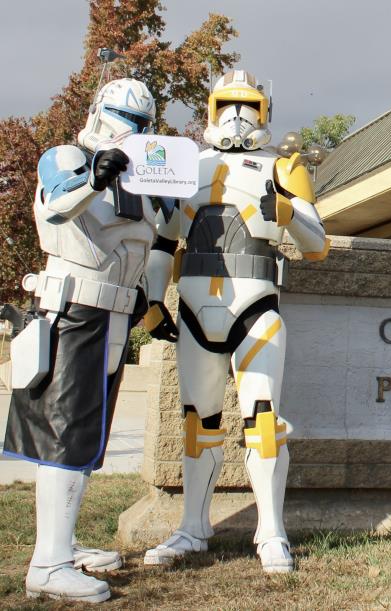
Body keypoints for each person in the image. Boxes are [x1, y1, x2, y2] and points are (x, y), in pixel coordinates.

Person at [142, 70, 329, 572]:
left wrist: (288, 213)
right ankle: (192, 526)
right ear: (211, 105)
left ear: (265, 109)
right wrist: (151, 301)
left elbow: (318, 244)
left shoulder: (283, 167)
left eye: (247, 104)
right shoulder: (187, 166)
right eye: (227, 102)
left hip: (255, 310)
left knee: (264, 421)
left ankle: (271, 531)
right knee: (196, 423)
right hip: (195, 311)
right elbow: (162, 243)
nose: (237, 114)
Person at [3, 78, 160, 603]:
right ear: (98, 111)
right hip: (74, 308)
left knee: (87, 436)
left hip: (114, 313)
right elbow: (53, 206)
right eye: (122, 115)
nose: (133, 128)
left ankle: (62, 545)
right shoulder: (68, 156)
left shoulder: (141, 179)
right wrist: (94, 178)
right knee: (67, 432)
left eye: (142, 121)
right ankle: (47, 563)